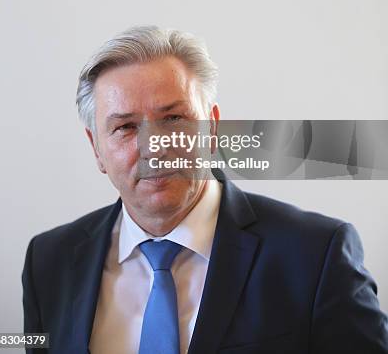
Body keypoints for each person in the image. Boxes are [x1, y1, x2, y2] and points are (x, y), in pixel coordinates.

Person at [22, 26, 388, 354]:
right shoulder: (48, 262)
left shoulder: (316, 254)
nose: (155, 146)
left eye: (174, 118)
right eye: (126, 127)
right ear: (96, 148)